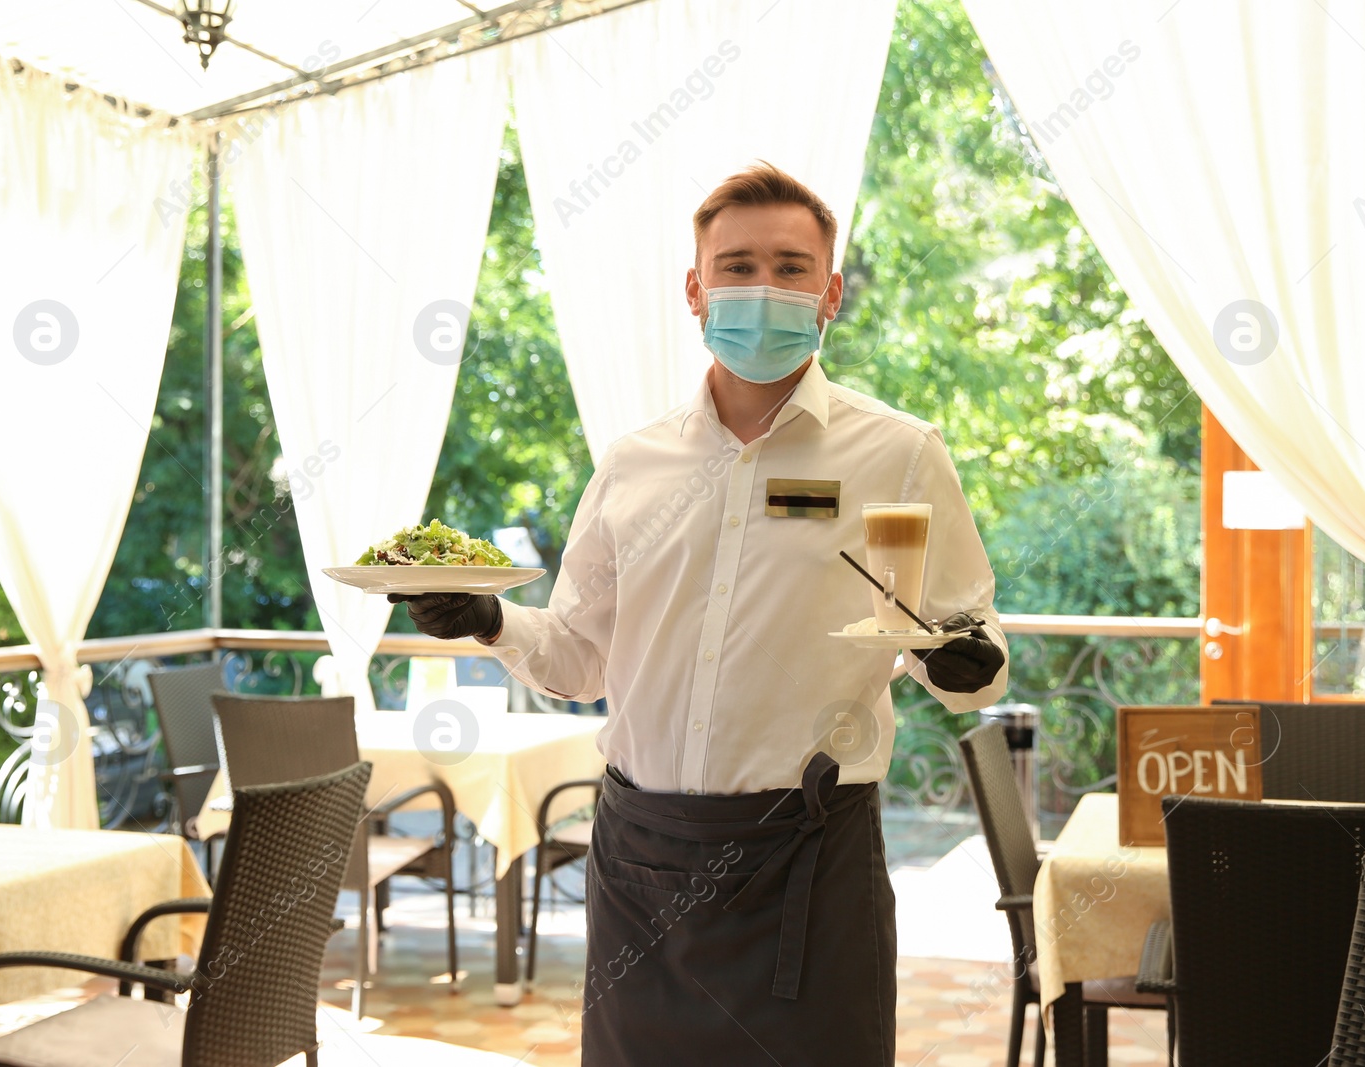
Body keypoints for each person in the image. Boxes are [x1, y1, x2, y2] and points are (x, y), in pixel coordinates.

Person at [392, 161, 1007, 1066]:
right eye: (739, 265)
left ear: (830, 291)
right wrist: (490, 618)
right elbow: (576, 660)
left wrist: (964, 660)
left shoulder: (901, 454)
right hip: (642, 861)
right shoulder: (633, 464)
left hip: (810, 865)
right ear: (696, 288)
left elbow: (967, 642)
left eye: (792, 267)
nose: (765, 288)